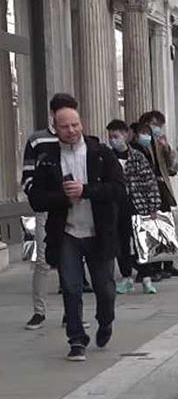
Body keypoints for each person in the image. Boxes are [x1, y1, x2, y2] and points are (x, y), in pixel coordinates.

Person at [28, 100, 125, 361]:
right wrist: (62, 196)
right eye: (65, 126)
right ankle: (76, 340)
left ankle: (105, 322)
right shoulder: (48, 160)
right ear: (55, 128)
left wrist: (87, 191)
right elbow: (36, 199)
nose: (71, 130)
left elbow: (118, 189)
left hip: (98, 232)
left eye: (75, 124)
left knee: (105, 288)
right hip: (67, 233)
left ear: (81, 124)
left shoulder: (101, 153)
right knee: (71, 288)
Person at [21, 93, 92, 330]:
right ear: (53, 117)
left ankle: (72, 314)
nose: (70, 128)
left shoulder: (84, 142)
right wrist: (42, 196)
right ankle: (39, 311)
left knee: (72, 262)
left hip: (79, 206)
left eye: (73, 120)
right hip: (50, 207)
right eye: (63, 121)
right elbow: (27, 177)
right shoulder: (37, 141)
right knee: (43, 260)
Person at [109, 120, 161, 294]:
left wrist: (153, 206)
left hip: (136, 204)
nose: (113, 140)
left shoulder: (137, 156)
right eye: (110, 137)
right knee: (121, 244)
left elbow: (149, 182)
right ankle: (126, 277)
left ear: (125, 135)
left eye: (116, 136)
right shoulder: (108, 157)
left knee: (141, 242)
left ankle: (146, 277)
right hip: (116, 206)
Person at [138, 109, 178, 279]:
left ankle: (168, 262)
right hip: (150, 189)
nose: (157, 129)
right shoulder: (142, 144)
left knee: (167, 225)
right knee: (153, 228)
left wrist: (167, 149)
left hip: (162, 187)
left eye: (159, 126)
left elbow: (172, 168)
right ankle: (155, 266)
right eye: (154, 125)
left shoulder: (159, 142)